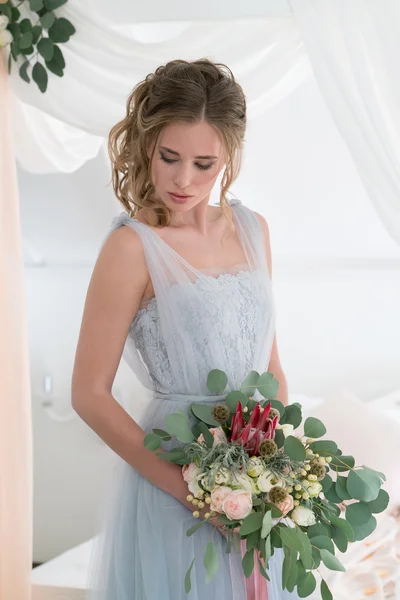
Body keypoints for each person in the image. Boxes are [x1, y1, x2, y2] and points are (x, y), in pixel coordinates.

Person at [71, 58, 296, 600]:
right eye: (169, 157)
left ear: (230, 157)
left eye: (204, 163)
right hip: (175, 478)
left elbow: (270, 365)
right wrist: (192, 494)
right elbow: (89, 395)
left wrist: (275, 475)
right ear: (147, 143)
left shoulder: (253, 228)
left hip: (257, 477)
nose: (183, 180)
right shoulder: (130, 248)